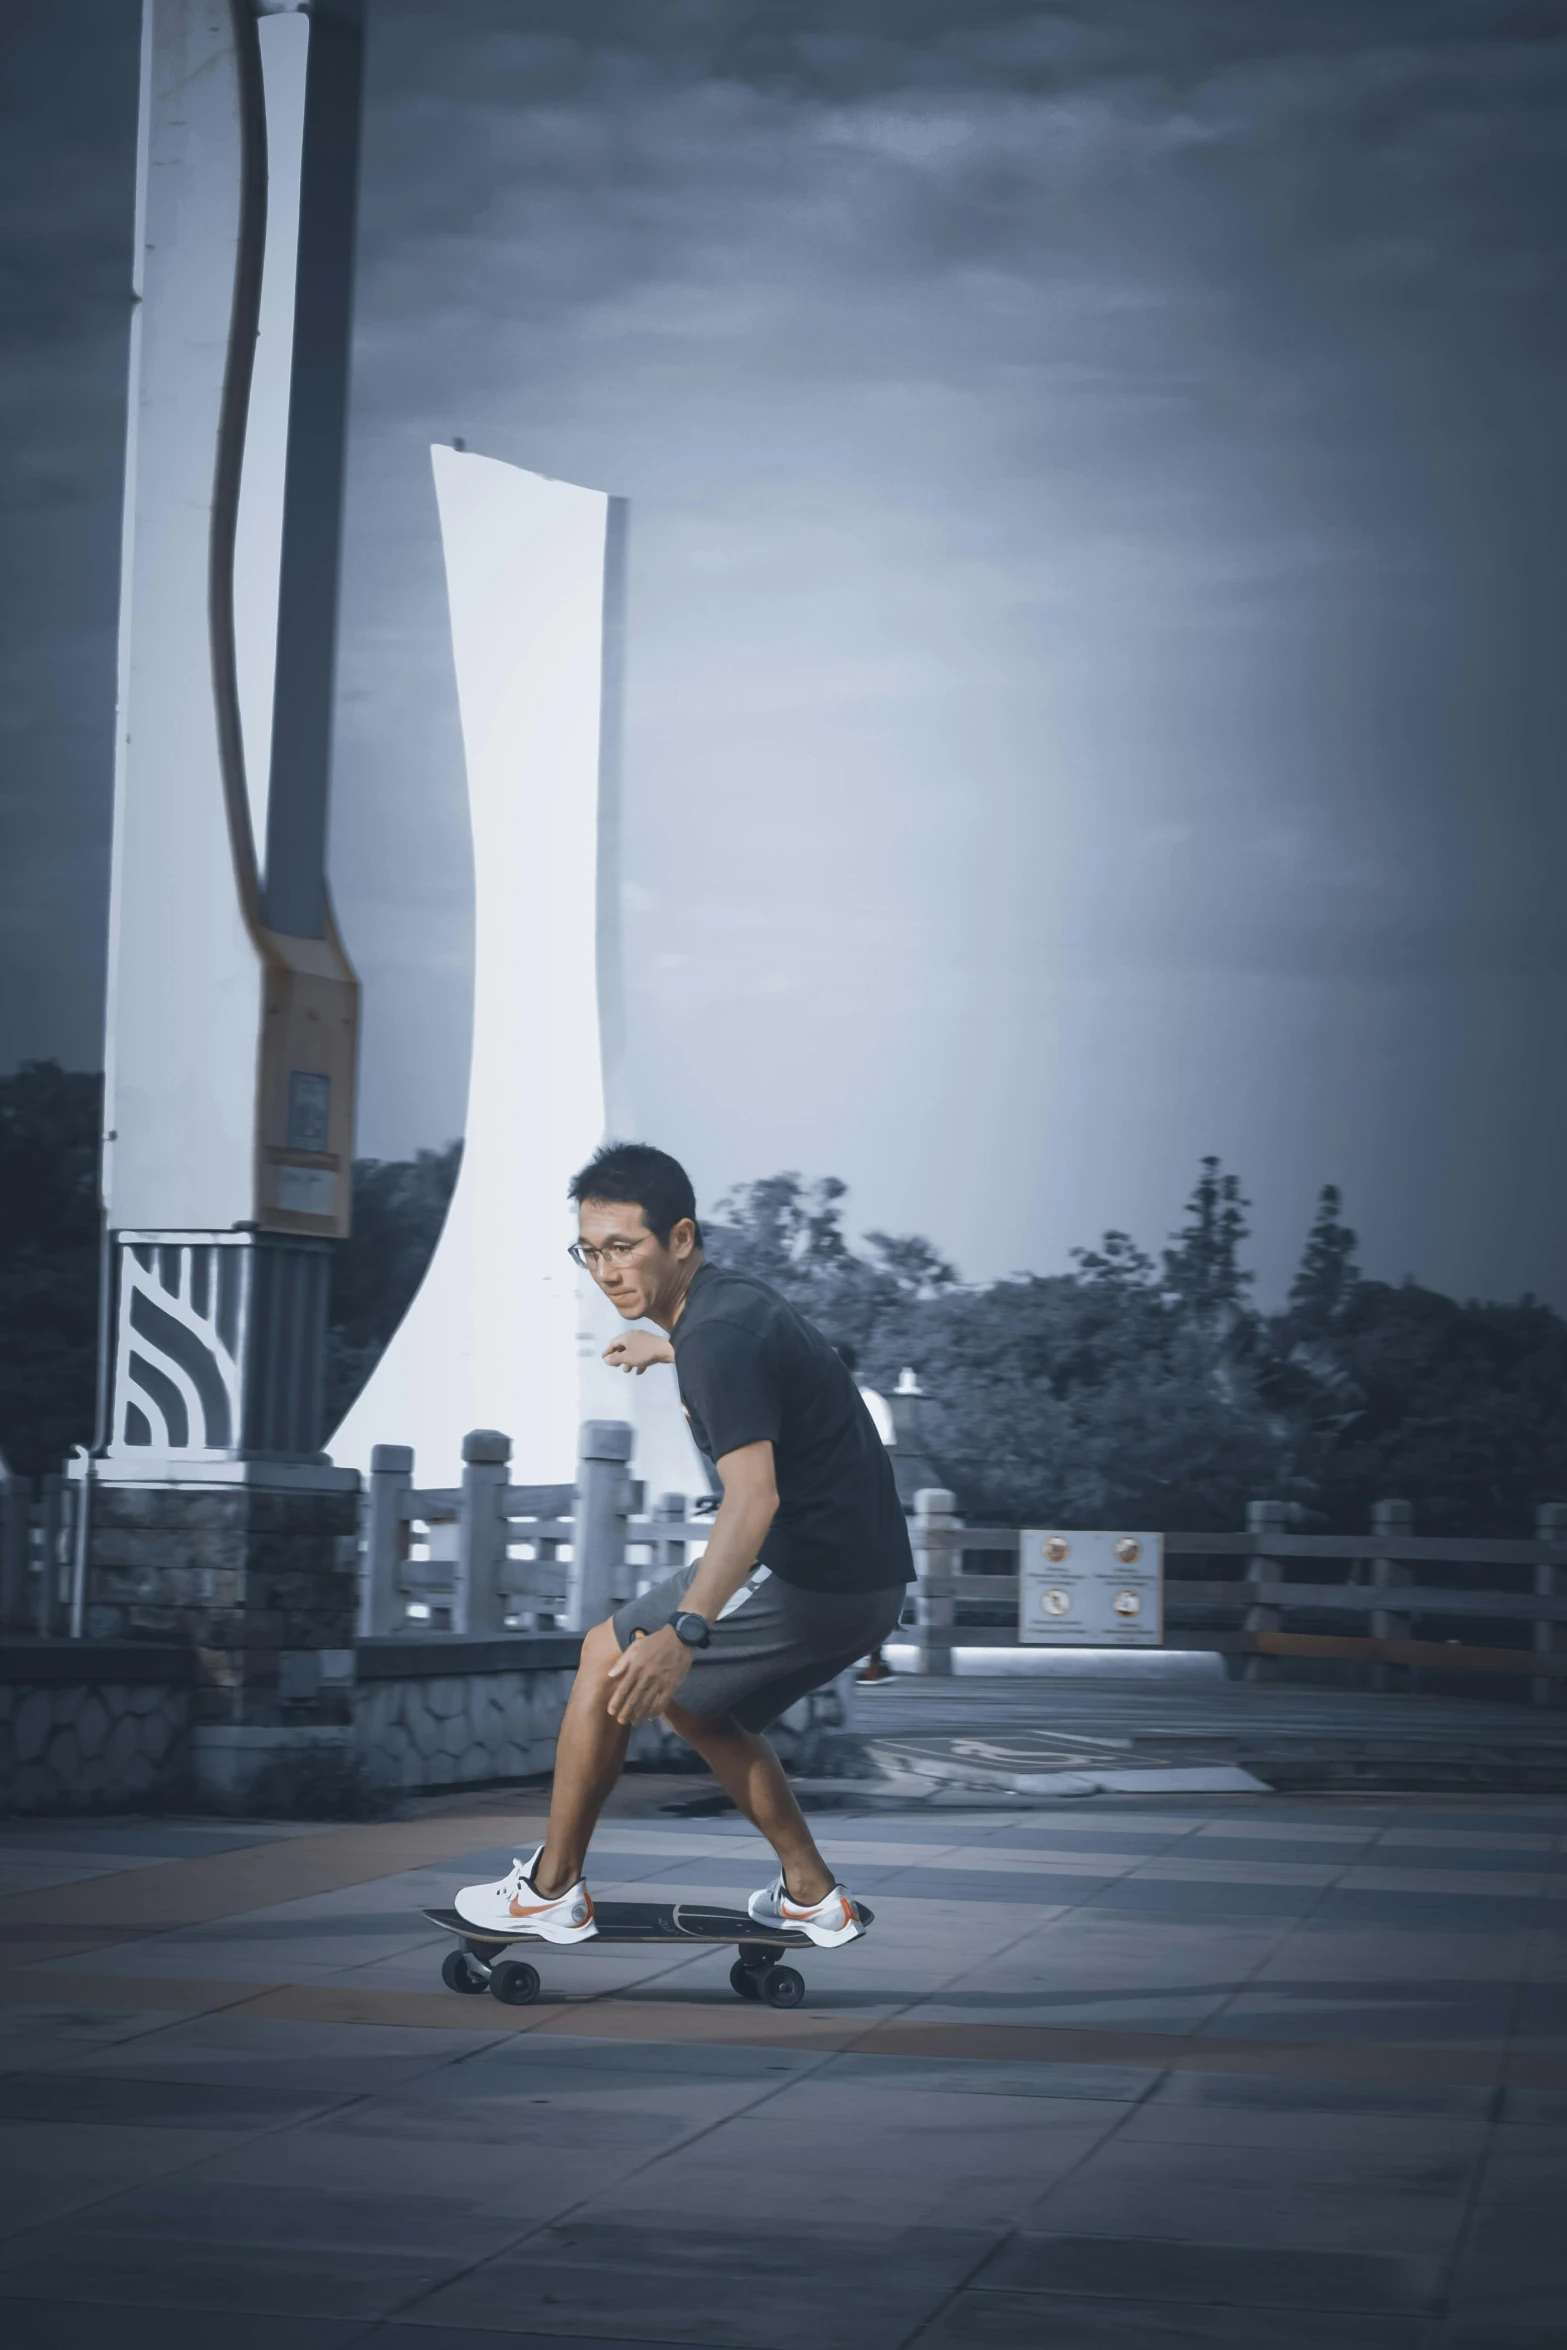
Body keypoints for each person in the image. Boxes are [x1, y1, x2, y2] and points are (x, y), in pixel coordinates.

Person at [454, 1142, 913, 1946]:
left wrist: (685, 1632)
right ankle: (810, 1893)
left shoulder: (716, 1338)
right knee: (697, 1708)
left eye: (623, 1249)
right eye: (589, 1251)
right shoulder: (721, 1313)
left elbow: (753, 1497)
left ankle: (551, 1887)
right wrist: (665, 1347)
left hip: (815, 1574)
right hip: (864, 1580)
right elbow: (765, 1366)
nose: (605, 1271)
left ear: (680, 1238)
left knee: (611, 1653)